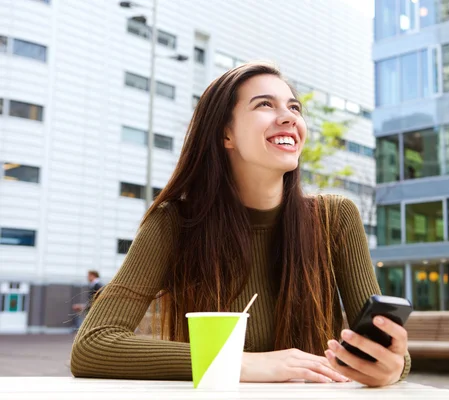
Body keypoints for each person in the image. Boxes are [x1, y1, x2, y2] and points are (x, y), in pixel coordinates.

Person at [70, 62, 411, 387]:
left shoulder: (336, 218)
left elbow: (386, 353)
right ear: (226, 134)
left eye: (294, 108)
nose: (288, 118)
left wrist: (391, 365)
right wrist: (240, 362)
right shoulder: (175, 223)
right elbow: (94, 344)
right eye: (265, 104)